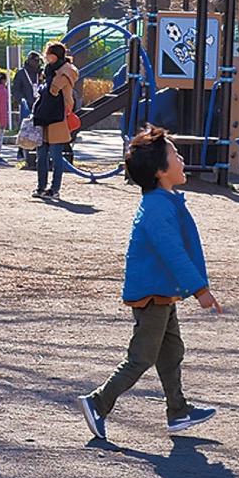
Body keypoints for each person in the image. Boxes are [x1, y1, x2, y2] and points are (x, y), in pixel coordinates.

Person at [77, 126, 223, 441]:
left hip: (161, 292)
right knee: (141, 356)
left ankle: (178, 411)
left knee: (171, 352)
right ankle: (98, 402)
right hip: (153, 294)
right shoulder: (158, 207)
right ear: (160, 171)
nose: (182, 159)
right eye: (175, 155)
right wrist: (201, 291)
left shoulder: (163, 200)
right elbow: (174, 253)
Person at [33, 41, 78, 201]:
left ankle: (54, 188)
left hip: (58, 116)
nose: (45, 57)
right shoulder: (49, 70)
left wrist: (45, 83)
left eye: (48, 54)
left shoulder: (67, 70)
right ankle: (41, 186)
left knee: (56, 154)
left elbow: (53, 89)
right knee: (41, 154)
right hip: (44, 114)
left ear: (55, 55)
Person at [12, 51, 42, 125]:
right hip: (26, 106)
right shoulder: (21, 73)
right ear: (29, 60)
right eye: (34, 61)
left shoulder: (41, 73)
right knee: (25, 129)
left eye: (38, 61)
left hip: (40, 105)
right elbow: (16, 89)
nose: (36, 63)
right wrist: (23, 100)